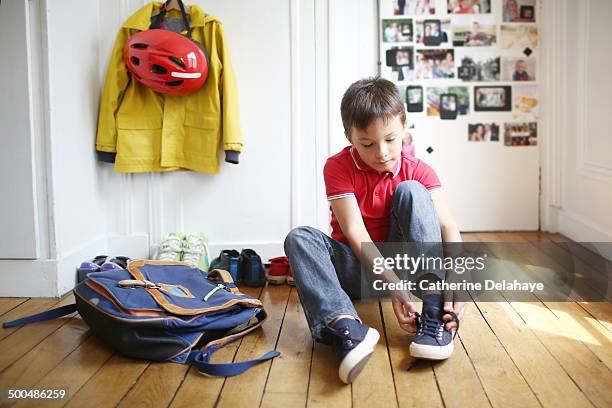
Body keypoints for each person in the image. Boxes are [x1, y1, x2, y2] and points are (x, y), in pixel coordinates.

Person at [284, 77, 464, 384]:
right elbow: (355, 232)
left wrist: (457, 280)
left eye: (390, 140)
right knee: (299, 237)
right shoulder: (337, 167)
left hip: (408, 270)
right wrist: (393, 285)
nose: (381, 152)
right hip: (359, 269)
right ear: (350, 137)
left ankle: (434, 312)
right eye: (367, 144)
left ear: (404, 127)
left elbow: (448, 226)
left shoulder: (418, 169)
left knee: (412, 190)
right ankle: (345, 326)